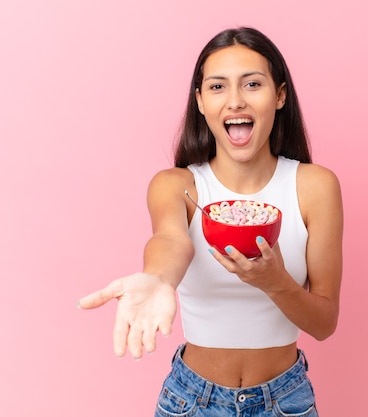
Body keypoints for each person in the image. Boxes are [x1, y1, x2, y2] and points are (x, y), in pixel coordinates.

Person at [78, 27, 343, 417]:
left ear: (280, 95)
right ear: (200, 101)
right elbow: (171, 242)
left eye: (252, 84)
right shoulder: (178, 185)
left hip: (285, 401)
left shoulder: (315, 186)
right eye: (218, 87)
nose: (235, 101)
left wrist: (277, 284)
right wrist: (156, 277)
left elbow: (324, 323)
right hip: (191, 400)